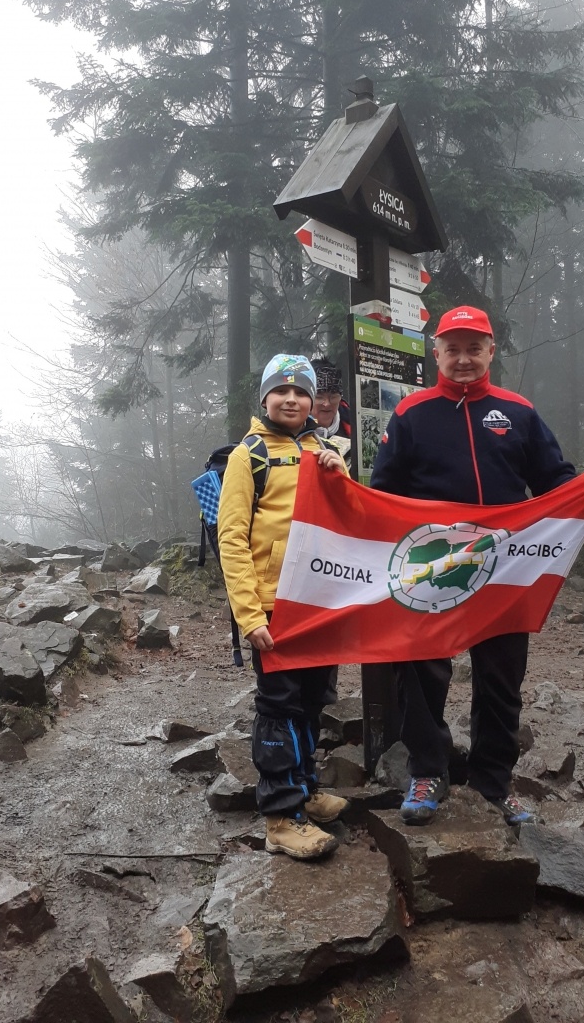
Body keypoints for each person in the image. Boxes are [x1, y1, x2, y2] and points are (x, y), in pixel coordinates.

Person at [370, 304, 584, 827]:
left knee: (502, 679)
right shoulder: (411, 413)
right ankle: (427, 770)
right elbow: (383, 493)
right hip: (431, 566)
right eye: (452, 349)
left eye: (473, 348)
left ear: (491, 352)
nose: (463, 359)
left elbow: (557, 482)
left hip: (506, 569)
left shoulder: (518, 412)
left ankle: (492, 781)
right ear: (435, 352)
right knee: (420, 672)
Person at [218, 354, 349, 860]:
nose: (291, 399)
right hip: (272, 606)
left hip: (318, 600)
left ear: (313, 400)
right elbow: (232, 539)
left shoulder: (326, 449)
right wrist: (249, 615)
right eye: (281, 390)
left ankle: (306, 788)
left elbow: (351, 519)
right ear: (265, 398)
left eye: (301, 391)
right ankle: (280, 815)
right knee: (279, 705)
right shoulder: (247, 455)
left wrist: (341, 476)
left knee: (314, 699)